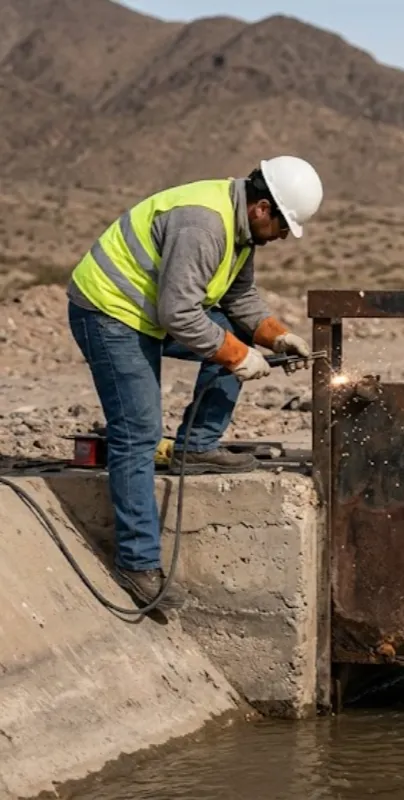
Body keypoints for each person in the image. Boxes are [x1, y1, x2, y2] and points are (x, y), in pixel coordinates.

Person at [65, 156, 324, 609]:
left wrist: (276, 335)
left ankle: (196, 446)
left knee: (234, 335)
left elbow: (237, 297)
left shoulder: (241, 230)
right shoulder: (204, 226)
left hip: (153, 314)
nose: (284, 237)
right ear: (263, 208)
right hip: (111, 313)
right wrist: (238, 355)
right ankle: (137, 562)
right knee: (137, 434)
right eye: (285, 226)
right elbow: (179, 314)